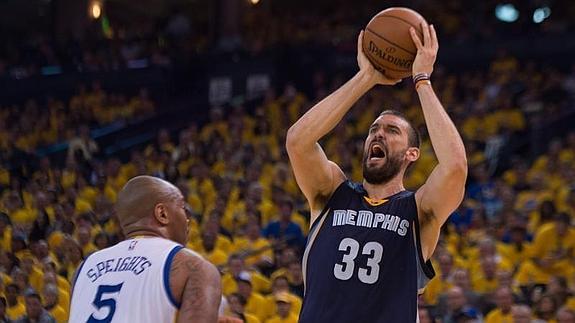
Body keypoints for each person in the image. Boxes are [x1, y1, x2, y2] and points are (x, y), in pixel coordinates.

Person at [287, 23, 467, 322]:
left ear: (412, 154)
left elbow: (456, 167)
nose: (378, 134)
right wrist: (366, 77)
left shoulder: (419, 211)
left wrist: (421, 80)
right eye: (374, 129)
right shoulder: (332, 192)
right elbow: (298, 141)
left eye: (392, 130)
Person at [69, 175, 222, 323]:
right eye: (182, 208)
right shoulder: (194, 267)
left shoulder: (84, 268)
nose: (188, 218)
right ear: (162, 213)